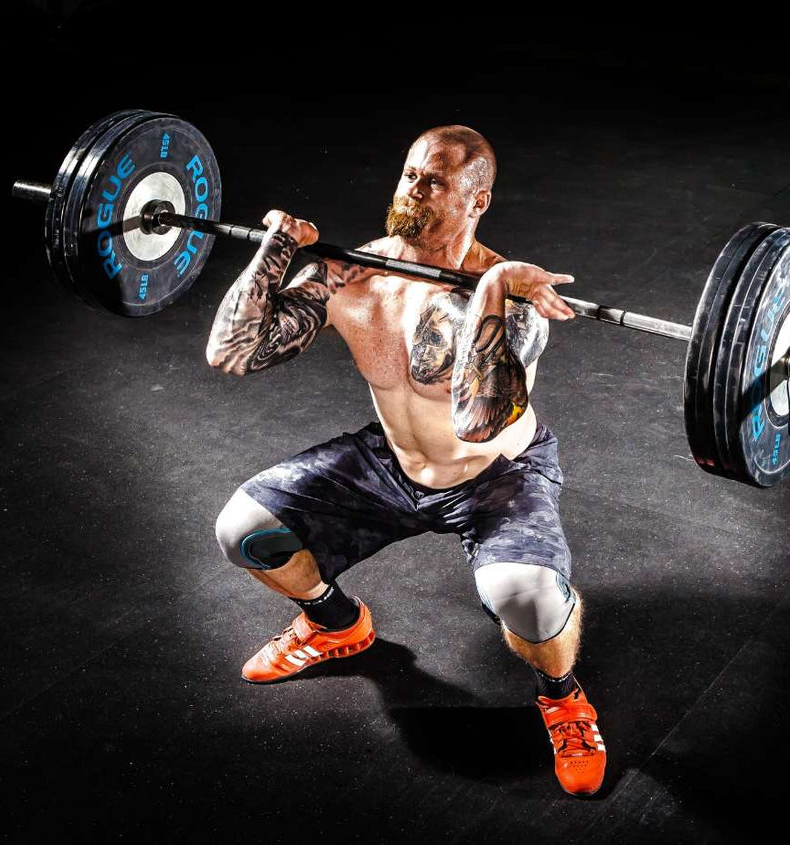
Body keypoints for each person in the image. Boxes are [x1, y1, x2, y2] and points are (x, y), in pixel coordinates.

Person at [206, 125, 604, 796]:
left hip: (494, 474)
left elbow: (476, 421)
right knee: (243, 530)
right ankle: (337, 625)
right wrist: (275, 251)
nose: (413, 190)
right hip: (392, 460)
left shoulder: (512, 297)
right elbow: (233, 350)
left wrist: (492, 289)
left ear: (477, 200)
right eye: (409, 174)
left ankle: (562, 695)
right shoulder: (351, 274)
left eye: (435, 181)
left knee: (524, 598)